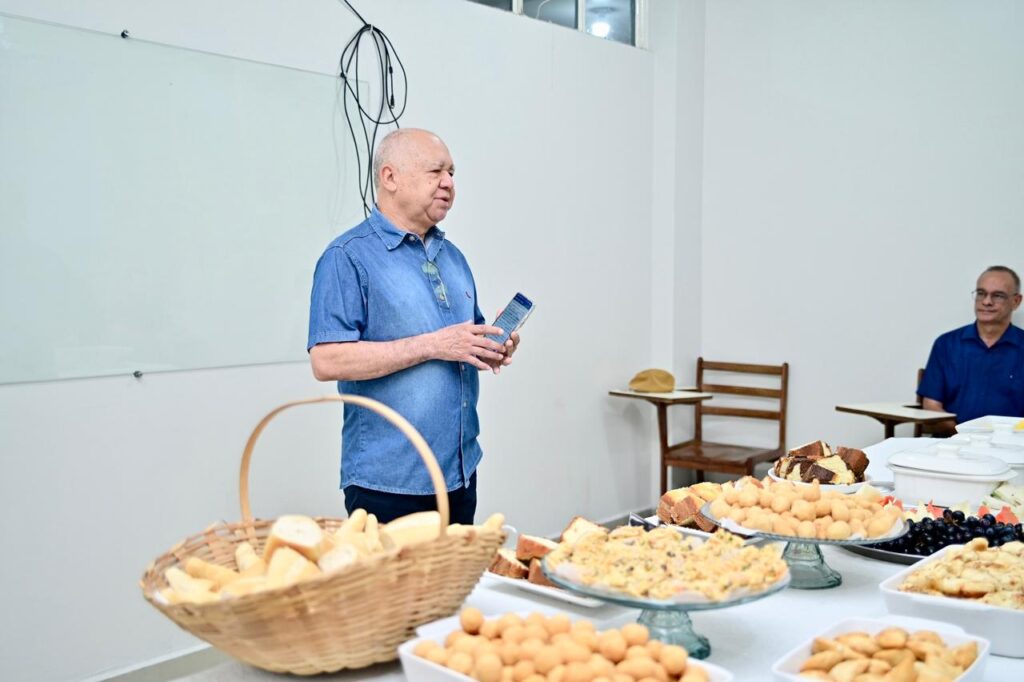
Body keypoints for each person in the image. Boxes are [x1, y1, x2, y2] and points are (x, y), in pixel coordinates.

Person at [307, 128, 520, 524]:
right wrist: (434, 345)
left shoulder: (453, 257)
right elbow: (327, 360)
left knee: (455, 588)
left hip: (459, 473)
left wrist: (491, 345)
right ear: (390, 178)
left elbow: (462, 341)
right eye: (436, 171)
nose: (449, 183)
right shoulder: (346, 257)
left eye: (452, 172)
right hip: (387, 484)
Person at [918, 265, 1024, 430]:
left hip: (1014, 448)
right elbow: (931, 405)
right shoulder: (946, 344)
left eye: (998, 296)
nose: (987, 301)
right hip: (952, 445)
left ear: (1016, 301)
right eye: (981, 293)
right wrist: (961, 436)